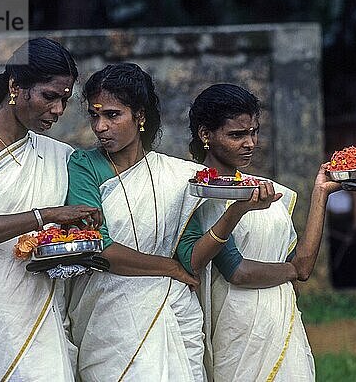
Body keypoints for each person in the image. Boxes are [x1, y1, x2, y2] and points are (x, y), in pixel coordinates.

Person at [65, 64, 278, 381]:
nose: (100, 127)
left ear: (139, 116)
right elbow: (97, 247)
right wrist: (169, 268)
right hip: (109, 319)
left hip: (172, 313)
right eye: (95, 116)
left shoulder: (178, 177)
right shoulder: (84, 166)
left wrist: (236, 211)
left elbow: (191, 261)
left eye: (112, 115)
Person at [0, 38, 103, 381]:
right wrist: (47, 215)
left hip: (39, 314)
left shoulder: (59, 156)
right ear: (15, 86)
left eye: (65, 100)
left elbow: (67, 231)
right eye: (49, 96)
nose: (58, 110)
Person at [177, 84, 341, 381]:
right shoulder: (196, 192)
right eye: (237, 135)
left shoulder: (263, 188)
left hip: (279, 322)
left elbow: (301, 264)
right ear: (205, 135)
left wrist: (321, 192)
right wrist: (293, 271)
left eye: (253, 132)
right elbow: (237, 271)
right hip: (237, 330)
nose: (250, 143)